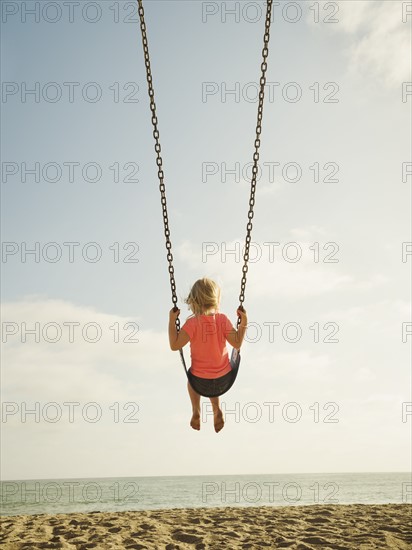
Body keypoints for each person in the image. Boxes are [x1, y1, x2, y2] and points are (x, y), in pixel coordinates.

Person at [168, 277, 247, 433]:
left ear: (194, 301)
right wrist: (244, 320)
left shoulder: (192, 324)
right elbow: (237, 343)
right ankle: (216, 409)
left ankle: (196, 410)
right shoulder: (222, 320)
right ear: (216, 300)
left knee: (191, 376)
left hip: (199, 382)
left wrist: (172, 321)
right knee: (214, 373)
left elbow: (174, 345)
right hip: (224, 380)